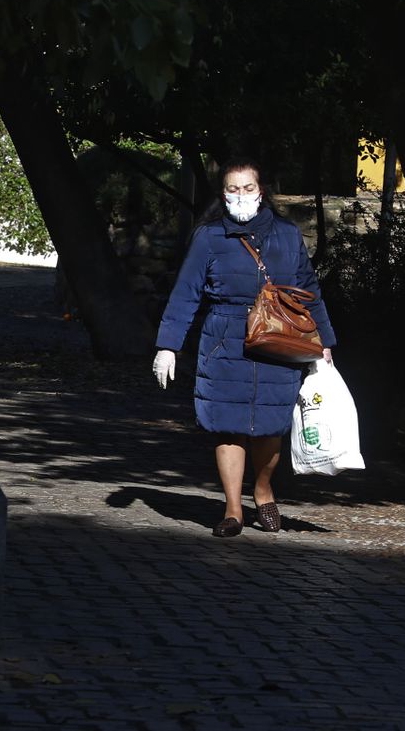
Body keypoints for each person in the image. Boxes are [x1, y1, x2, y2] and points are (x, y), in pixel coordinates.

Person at [151, 159, 336, 537]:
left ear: (261, 190)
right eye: (232, 189)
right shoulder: (209, 236)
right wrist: (168, 346)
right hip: (224, 340)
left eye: (247, 188)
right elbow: (186, 292)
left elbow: (309, 290)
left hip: (278, 339)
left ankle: (264, 491)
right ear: (223, 194)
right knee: (228, 426)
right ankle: (233, 508)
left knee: (270, 426)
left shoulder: (286, 234)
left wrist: (324, 344)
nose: (240, 196)